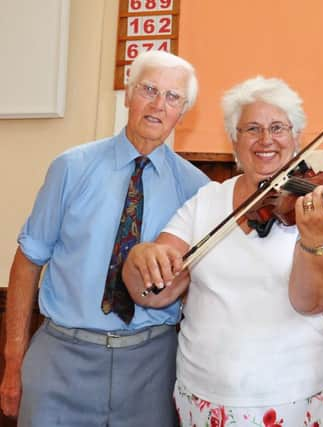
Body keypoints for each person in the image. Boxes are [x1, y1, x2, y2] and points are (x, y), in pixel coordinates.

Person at [122, 76, 323, 426]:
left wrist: (314, 241)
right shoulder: (205, 201)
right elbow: (152, 293)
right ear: (234, 140)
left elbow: (314, 301)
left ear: (296, 137)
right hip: (205, 397)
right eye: (251, 129)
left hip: (298, 395)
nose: (266, 140)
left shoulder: (317, 205)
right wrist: (140, 258)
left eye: (278, 128)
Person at [0, 50, 209, 426]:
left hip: (152, 366)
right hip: (62, 356)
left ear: (184, 110)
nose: (158, 105)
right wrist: (13, 359)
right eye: (149, 90)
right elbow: (28, 259)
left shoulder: (198, 189)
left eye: (172, 97)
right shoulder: (71, 167)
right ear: (128, 96)